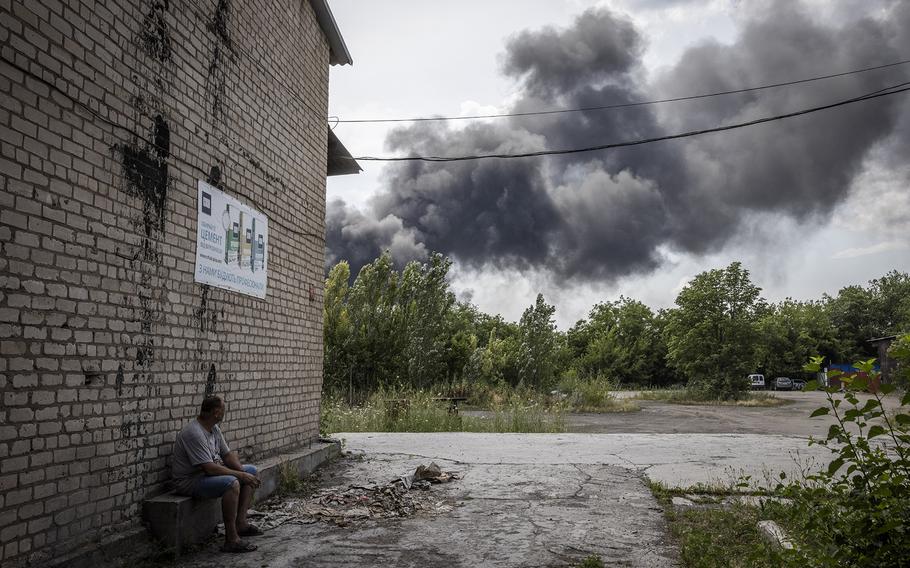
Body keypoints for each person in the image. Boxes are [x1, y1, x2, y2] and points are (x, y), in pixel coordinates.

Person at [171, 396, 262, 553]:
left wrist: (242, 471)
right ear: (216, 412)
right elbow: (210, 469)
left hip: (206, 476)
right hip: (190, 481)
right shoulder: (194, 433)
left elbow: (226, 455)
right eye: (223, 410)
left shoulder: (213, 429)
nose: (225, 412)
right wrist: (240, 476)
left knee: (251, 471)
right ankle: (231, 540)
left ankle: (241, 524)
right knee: (232, 483)